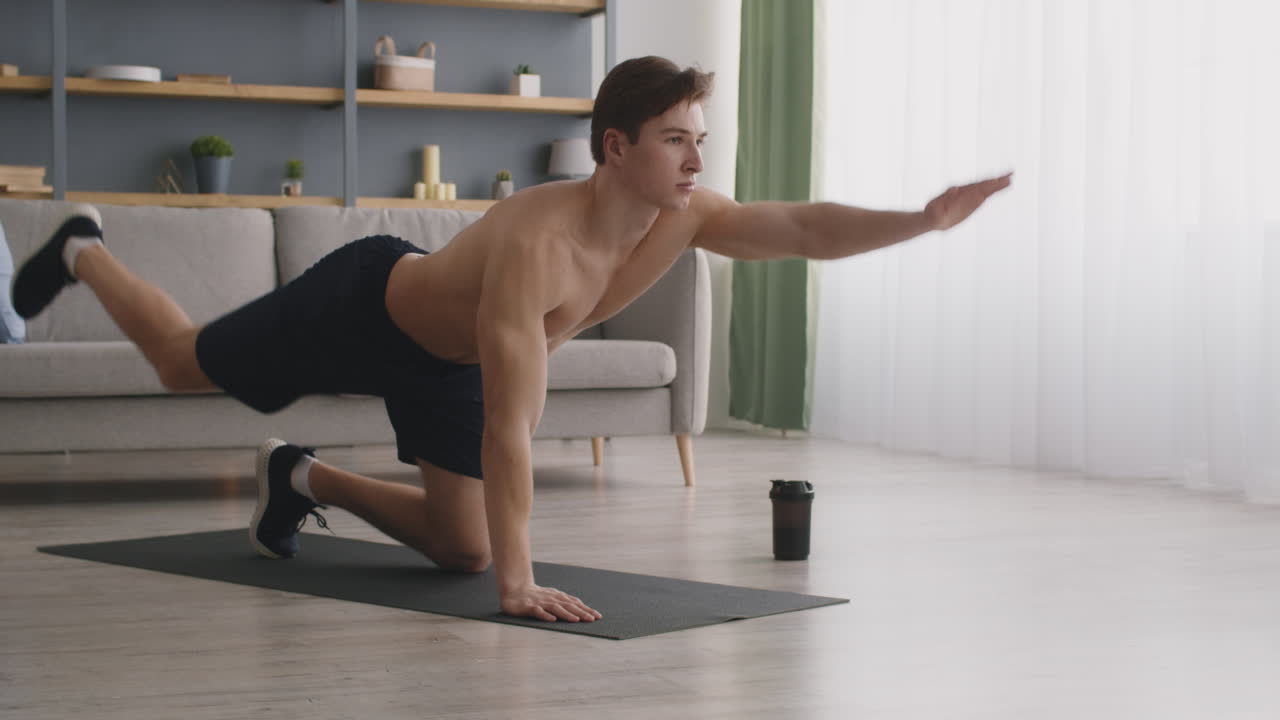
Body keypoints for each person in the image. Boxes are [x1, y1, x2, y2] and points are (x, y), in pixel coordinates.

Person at [10, 56, 1011, 623]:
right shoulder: (537, 243)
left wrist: (918, 219)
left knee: (459, 551)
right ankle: (87, 249)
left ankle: (301, 478)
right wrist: (522, 582)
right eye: (675, 138)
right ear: (614, 148)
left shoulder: (688, 214)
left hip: (440, 358)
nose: (695, 156)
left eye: (697, 137)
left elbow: (800, 229)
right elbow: (512, 424)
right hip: (366, 305)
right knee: (184, 366)